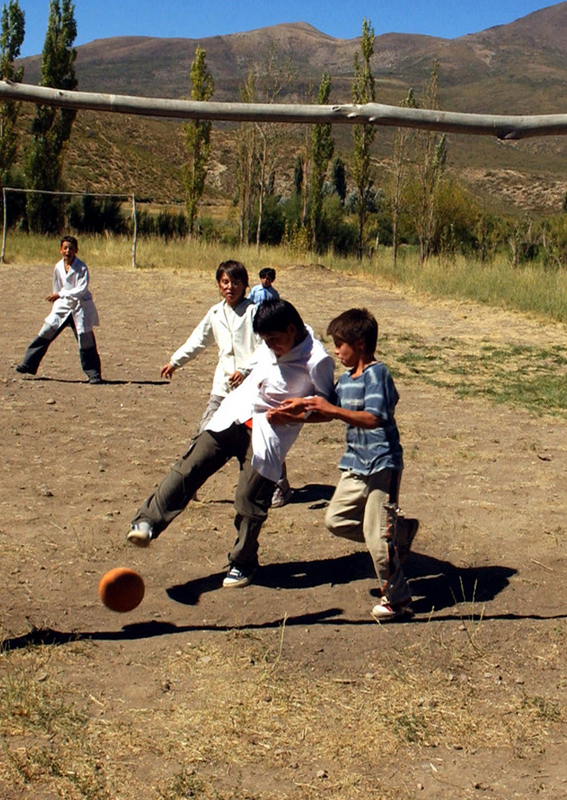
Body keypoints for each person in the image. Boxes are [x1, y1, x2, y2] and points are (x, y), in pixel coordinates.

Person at [128, 299, 335, 589]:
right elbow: (259, 360)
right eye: (265, 340)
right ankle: (147, 521)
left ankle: (243, 562)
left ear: (291, 329)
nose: (270, 345)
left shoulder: (317, 360)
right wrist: (244, 369)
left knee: (249, 499)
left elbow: (328, 409)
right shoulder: (273, 340)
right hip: (233, 416)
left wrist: (297, 411)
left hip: (268, 435)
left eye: (274, 339)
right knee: (191, 465)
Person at [271, 308, 418, 622]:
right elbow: (327, 412)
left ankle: (398, 599)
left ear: (361, 343)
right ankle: (401, 533)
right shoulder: (345, 379)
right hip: (354, 466)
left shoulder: (377, 374)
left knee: (378, 539)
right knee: (335, 520)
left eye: (341, 344)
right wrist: (295, 412)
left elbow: (375, 417)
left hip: (382, 465)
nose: (336, 350)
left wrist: (330, 409)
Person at [163, 260, 261, 431]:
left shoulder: (254, 312)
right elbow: (198, 340)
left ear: (245, 285)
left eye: (236, 283)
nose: (230, 287)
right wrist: (175, 362)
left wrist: (245, 370)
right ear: (219, 284)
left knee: (255, 443)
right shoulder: (215, 313)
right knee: (206, 433)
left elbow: (265, 348)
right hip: (223, 386)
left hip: (251, 389)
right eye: (225, 282)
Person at [14, 235, 102, 384]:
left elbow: (81, 289)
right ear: (61, 250)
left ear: (76, 250)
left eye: (71, 248)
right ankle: (28, 364)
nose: (68, 251)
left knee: (86, 340)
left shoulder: (82, 268)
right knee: (46, 332)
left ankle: (94, 374)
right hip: (62, 306)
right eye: (65, 248)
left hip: (80, 307)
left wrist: (60, 294)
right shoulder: (58, 267)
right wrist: (57, 301)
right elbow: (57, 287)